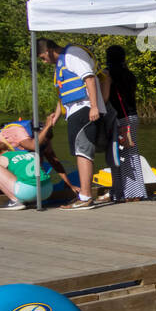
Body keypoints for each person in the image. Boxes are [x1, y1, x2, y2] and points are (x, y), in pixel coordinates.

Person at [35, 38, 119, 209]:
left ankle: (86, 196)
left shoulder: (73, 54)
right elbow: (64, 95)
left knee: (83, 151)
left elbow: (89, 78)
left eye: (43, 58)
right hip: (74, 111)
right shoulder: (61, 64)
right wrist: (55, 117)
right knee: (78, 151)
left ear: (48, 51)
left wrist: (94, 106)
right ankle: (84, 195)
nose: (44, 62)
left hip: (84, 108)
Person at [0, 114, 75, 195]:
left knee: (37, 157)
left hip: (14, 155)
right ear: (36, 137)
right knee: (30, 155)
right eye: (44, 140)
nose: (46, 143)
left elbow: (55, 162)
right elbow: (33, 146)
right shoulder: (19, 132)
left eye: (46, 141)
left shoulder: (44, 141)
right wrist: (48, 125)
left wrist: (69, 185)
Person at [103, 45, 147, 202]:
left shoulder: (108, 74)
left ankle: (127, 193)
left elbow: (106, 98)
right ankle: (132, 191)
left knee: (119, 155)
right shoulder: (129, 74)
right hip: (132, 117)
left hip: (120, 119)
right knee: (131, 152)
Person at [0, 139, 27, 209]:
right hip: (43, 191)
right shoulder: (21, 153)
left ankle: (15, 201)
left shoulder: (3, 157)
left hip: (25, 193)